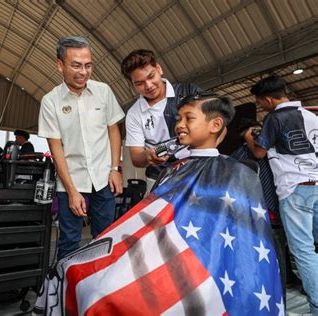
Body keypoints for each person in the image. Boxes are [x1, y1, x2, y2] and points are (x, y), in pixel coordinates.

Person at [34, 93, 283, 315]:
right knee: (69, 268)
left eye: (189, 118)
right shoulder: (174, 168)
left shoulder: (238, 173)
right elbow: (152, 216)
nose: (179, 125)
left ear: (215, 124)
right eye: (178, 118)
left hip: (199, 261)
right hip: (154, 249)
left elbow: (237, 240)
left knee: (105, 294)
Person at [38, 36, 125, 260]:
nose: (83, 72)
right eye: (76, 65)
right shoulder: (51, 101)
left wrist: (115, 168)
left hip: (103, 177)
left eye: (88, 65)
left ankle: (100, 287)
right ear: (60, 65)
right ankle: (66, 290)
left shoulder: (103, 91)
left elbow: (113, 130)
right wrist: (71, 191)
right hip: (71, 179)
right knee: (69, 241)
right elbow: (56, 148)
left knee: (104, 238)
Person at [244, 75, 318, 314]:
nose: (261, 107)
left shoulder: (274, 118)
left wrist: (248, 137)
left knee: (304, 250)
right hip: (317, 181)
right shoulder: (310, 116)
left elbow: (259, 153)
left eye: (260, 102)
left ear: (267, 100)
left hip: (294, 190)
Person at [121, 49, 202, 192]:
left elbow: (219, 127)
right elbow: (136, 157)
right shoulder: (133, 114)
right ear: (132, 84)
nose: (149, 86)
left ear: (159, 69)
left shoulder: (190, 92)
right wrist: (148, 156)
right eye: (139, 83)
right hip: (159, 177)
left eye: (151, 76)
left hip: (199, 169)